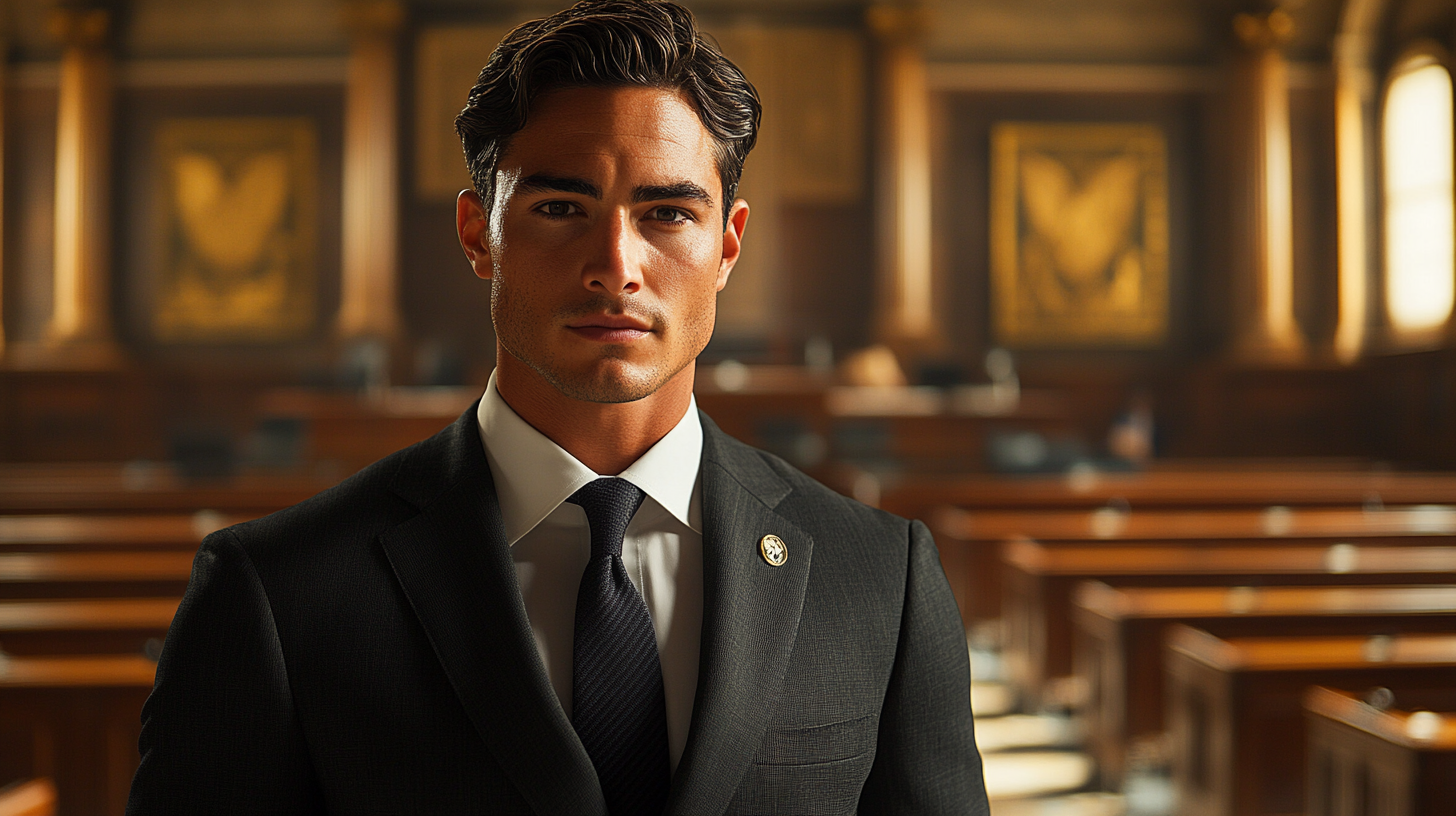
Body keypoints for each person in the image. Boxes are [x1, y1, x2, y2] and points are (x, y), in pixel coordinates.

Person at [127, 1, 988, 812]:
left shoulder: (882, 578)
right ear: (478, 235)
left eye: (665, 212)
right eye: (561, 207)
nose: (615, 263)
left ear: (727, 247)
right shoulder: (277, 593)